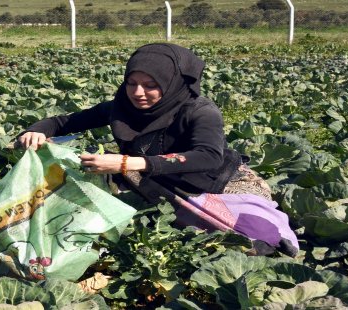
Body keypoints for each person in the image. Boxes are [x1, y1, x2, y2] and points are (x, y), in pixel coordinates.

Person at [17, 43, 298, 257]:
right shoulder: (122, 107)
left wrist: (130, 164)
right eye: (132, 83)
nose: (138, 92)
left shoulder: (199, 110)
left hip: (214, 182)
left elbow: (208, 155)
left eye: (151, 86)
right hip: (152, 177)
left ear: (172, 83)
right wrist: (37, 131)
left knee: (258, 238)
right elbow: (63, 122)